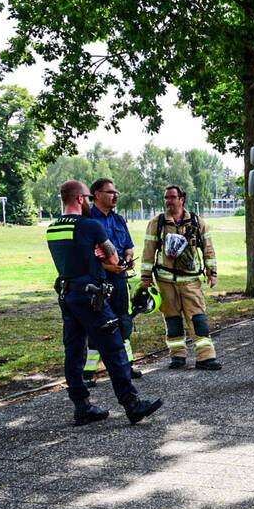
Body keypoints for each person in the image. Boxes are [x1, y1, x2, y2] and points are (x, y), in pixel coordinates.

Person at [46, 180, 163, 426]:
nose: (89, 202)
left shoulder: (53, 228)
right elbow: (114, 257)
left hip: (68, 296)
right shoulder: (91, 226)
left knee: (74, 351)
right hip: (91, 297)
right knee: (114, 347)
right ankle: (131, 404)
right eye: (87, 198)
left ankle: (82, 406)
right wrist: (102, 254)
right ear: (80, 199)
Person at [140, 186, 222, 370]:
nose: (169, 201)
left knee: (198, 318)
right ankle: (177, 356)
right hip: (165, 280)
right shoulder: (157, 222)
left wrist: (212, 272)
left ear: (182, 199)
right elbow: (148, 250)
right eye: (166, 198)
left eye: (172, 197)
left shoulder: (197, 222)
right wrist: (146, 277)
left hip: (190, 281)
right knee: (172, 318)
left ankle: (206, 357)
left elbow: (208, 248)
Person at [83, 178, 140, 386]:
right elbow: (86, 255)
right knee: (98, 325)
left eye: (116, 192)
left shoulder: (119, 220)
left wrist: (128, 257)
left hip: (119, 279)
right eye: (110, 192)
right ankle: (88, 372)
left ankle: (127, 366)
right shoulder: (87, 221)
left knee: (123, 321)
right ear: (97, 194)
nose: (115, 195)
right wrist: (107, 267)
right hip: (98, 280)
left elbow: (128, 245)